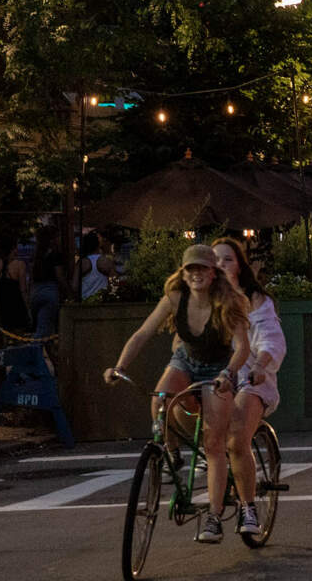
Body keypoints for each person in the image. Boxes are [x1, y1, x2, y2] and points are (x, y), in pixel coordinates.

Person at [103, 245, 256, 543]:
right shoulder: (175, 298)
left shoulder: (227, 301)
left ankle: (213, 516)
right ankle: (170, 451)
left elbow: (243, 347)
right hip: (186, 361)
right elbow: (142, 334)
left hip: (218, 368)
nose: (196, 274)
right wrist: (119, 366)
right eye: (191, 269)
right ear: (183, 274)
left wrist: (229, 374)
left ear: (213, 273)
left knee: (213, 444)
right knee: (159, 397)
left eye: (202, 269)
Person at [212, 236, 284, 403]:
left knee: (240, 418)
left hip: (248, 378)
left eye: (228, 259)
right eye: (215, 259)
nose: (221, 264)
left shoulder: (254, 299)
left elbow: (270, 339)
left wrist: (258, 366)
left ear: (239, 267)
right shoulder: (203, 298)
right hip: (211, 376)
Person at [28, 225, 70, 342]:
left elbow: (31, 278)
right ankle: (32, 353)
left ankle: (44, 356)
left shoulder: (36, 256)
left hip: (35, 293)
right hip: (50, 292)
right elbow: (60, 276)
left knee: (43, 327)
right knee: (44, 331)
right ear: (52, 239)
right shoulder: (55, 255)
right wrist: (68, 292)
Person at [0, 233, 30, 338]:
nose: (17, 251)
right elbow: (23, 289)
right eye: (15, 248)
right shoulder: (19, 264)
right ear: (12, 248)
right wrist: (27, 308)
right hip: (16, 304)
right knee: (19, 338)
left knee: (3, 337)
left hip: (2, 304)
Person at [77, 231, 109, 300]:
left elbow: (74, 286)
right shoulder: (105, 261)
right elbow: (114, 281)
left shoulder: (81, 263)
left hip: (85, 301)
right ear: (98, 245)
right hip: (103, 300)